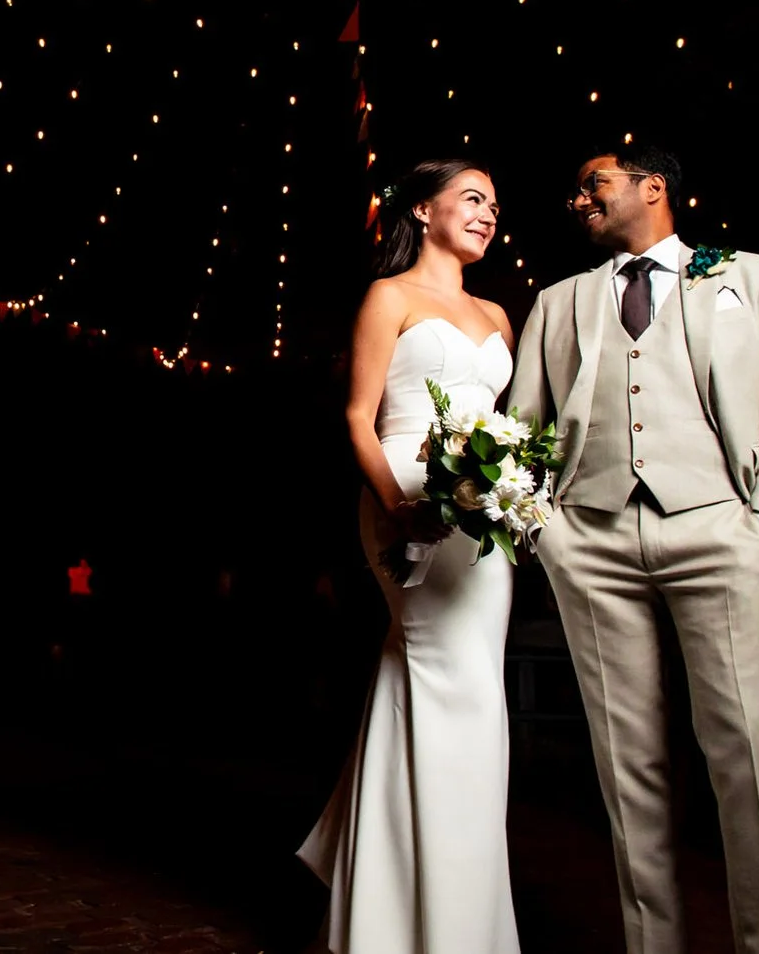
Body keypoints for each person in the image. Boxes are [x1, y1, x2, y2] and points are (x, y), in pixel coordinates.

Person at [506, 143, 759, 954]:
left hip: (719, 527)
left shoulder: (752, 276)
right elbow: (526, 427)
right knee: (626, 766)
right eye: (577, 189)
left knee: (742, 753)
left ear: (654, 186)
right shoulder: (559, 301)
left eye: (595, 183)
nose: (580, 200)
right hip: (592, 539)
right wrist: (547, 528)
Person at [299, 158, 521, 954]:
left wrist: (511, 491)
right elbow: (359, 416)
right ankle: (448, 924)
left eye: (494, 205)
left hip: (483, 524)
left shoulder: (499, 313)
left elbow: (504, 425)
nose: (488, 213)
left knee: (461, 690)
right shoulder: (388, 297)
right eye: (472, 198)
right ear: (424, 209)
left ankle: (395, 912)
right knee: (440, 677)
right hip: (405, 500)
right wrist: (396, 505)